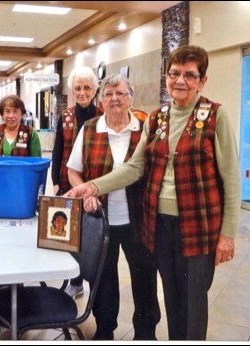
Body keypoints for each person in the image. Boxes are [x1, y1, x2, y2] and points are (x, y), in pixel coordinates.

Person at [67, 46, 241, 340]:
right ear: (166, 77)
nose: (180, 80)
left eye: (189, 75)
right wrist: (92, 186)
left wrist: (228, 233)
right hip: (158, 225)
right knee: (172, 297)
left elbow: (232, 180)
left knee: (193, 301)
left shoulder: (215, 116)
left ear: (202, 80)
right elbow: (135, 167)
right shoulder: (157, 118)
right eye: (174, 74)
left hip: (198, 227)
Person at [66, 74, 160, 340]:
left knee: (144, 279)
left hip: (139, 220)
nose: (115, 99)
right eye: (108, 94)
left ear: (132, 97)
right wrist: (86, 194)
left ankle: (145, 333)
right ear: (100, 99)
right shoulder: (90, 128)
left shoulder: (146, 128)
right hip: (100, 219)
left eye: (121, 93)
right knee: (103, 280)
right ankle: (105, 329)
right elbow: (73, 171)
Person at [52, 66, 103, 299]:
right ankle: (75, 282)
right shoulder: (66, 116)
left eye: (87, 88)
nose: (82, 92)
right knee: (71, 234)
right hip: (68, 182)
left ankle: (95, 284)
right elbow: (57, 151)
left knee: (91, 236)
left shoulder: (103, 114)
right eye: (77, 88)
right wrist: (55, 183)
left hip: (95, 182)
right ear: (72, 91)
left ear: (95, 90)